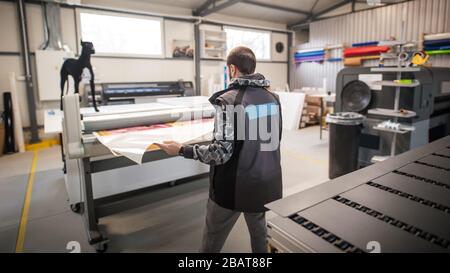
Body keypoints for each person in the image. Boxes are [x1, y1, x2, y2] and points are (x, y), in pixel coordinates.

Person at [156, 46, 282, 253]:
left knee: (212, 240)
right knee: (260, 238)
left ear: (232, 69)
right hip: (265, 184)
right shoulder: (273, 98)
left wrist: (181, 150)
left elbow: (221, 153)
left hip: (234, 187)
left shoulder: (229, 101)